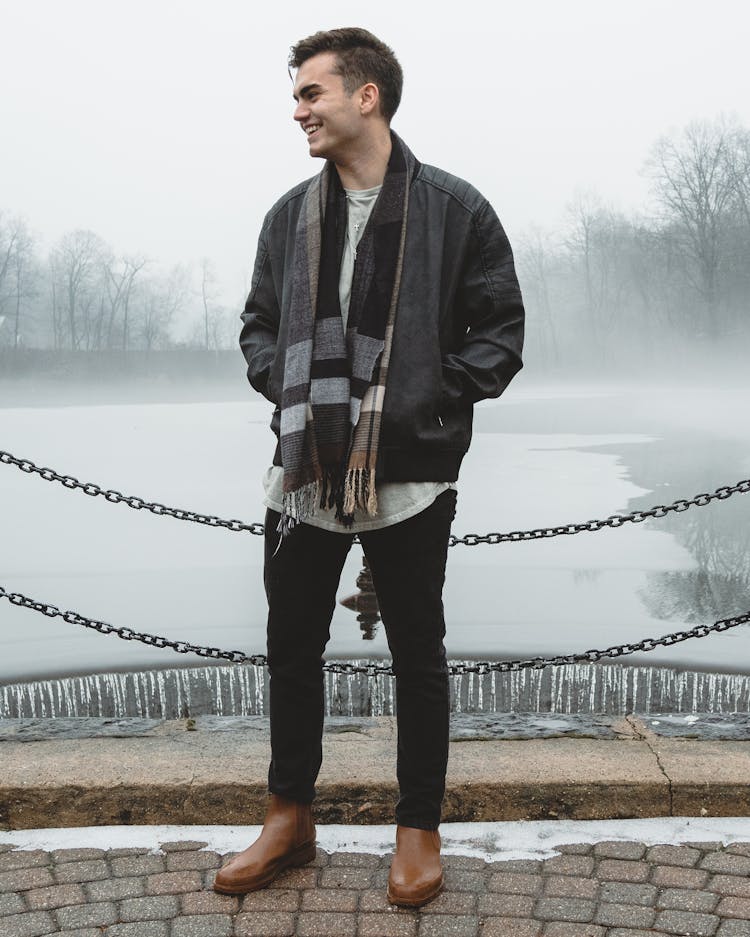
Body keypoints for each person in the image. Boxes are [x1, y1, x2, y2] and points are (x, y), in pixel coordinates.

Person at [214, 26, 524, 907]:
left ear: (366, 97)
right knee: (290, 648)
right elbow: (258, 326)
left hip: (411, 471)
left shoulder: (455, 210)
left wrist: (431, 399)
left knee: (418, 655)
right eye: (297, 95)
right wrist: (287, 385)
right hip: (303, 473)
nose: (299, 109)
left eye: (311, 93)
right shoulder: (288, 216)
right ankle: (289, 817)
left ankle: (418, 827)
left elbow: (500, 331)